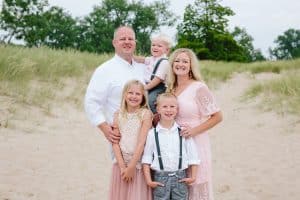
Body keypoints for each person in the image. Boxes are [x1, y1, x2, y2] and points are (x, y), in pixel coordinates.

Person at [166, 48, 223, 200]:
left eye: (185, 61)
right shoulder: (171, 88)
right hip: (175, 145)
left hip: (196, 143)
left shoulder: (199, 87)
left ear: (191, 65)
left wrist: (194, 131)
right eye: (177, 60)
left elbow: (217, 116)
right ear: (172, 65)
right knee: (180, 187)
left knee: (196, 185)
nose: (180, 64)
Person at [84, 25, 146, 144]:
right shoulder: (104, 70)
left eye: (131, 39)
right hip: (120, 134)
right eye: (123, 39)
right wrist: (105, 128)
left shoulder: (144, 68)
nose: (127, 42)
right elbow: (91, 102)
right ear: (114, 42)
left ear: (135, 42)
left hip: (147, 132)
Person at [142, 93, 200, 200]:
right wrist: (148, 180)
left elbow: (193, 156)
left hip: (180, 179)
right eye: (165, 106)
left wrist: (193, 177)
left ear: (177, 110)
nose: (169, 110)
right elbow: (146, 158)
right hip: (160, 180)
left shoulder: (183, 132)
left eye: (172, 106)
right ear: (158, 109)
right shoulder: (152, 134)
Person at [109, 80, 152, 200]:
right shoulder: (117, 114)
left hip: (137, 165)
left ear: (143, 96)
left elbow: (141, 143)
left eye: (138, 94)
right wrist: (123, 167)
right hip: (120, 164)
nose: (134, 96)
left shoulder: (145, 114)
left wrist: (132, 166)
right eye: (130, 93)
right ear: (124, 94)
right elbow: (115, 142)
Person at [134, 34, 172, 113]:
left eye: (159, 46)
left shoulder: (164, 62)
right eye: (153, 45)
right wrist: (130, 56)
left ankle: (156, 117)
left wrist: (145, 88)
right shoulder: (151, 59)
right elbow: (142, 60)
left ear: (167, 50)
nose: (155, 47)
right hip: (148, 85)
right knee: (141, 100)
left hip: (158, 87)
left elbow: (158, 79)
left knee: (150, 101)